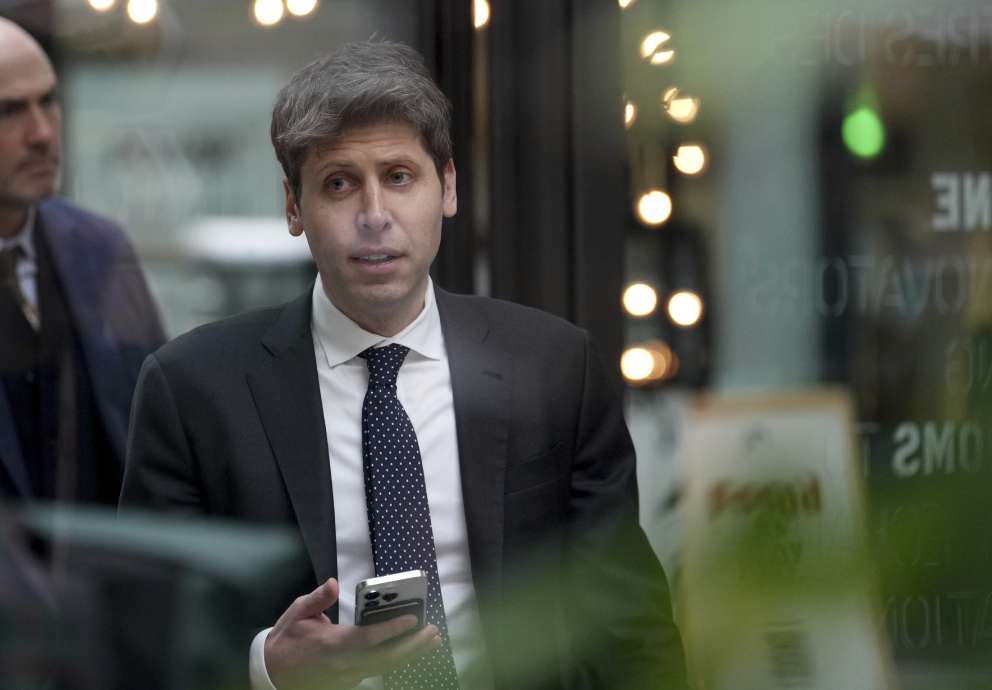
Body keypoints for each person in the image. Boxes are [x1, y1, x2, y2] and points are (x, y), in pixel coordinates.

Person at [121, 41, 689, 690]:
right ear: (292, 207)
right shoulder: (194, 390)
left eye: (398, 177)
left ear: (446, 187)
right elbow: (144, 639)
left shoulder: (553, 366)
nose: (374, 216)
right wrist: (267, 666)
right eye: (339, 184)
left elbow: (626, 623)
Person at [0, 10, 166, 506]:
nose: (42, 133)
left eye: (48, 102)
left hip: (108, 573)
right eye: (6, 111)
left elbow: (159, 434)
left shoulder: (99, 248)